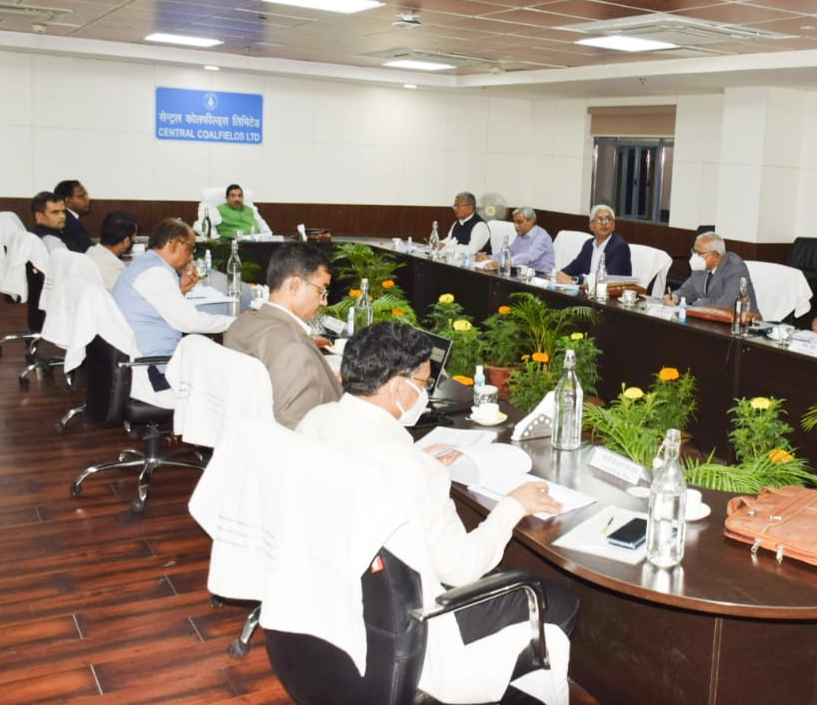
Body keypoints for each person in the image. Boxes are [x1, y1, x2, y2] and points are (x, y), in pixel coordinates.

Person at [295, 322, 577, 702]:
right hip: (406, 626)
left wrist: (419, 461)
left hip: (333, 603)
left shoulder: (316, 420)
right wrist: (514, 505)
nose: (424, 394)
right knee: (556, 599)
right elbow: (461, 569)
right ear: (397, 387)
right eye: (423, 384)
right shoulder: (412, 469)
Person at [112, 218, 235, 399]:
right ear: (173, 244)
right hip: (154, 371)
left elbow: (154, 310)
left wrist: (180, 292)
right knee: (231, 374)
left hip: (139, 361)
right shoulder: (156, 274)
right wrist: (238, 321)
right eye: (191, 248)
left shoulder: (145, 265)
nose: (192, 256)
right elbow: (190, 322)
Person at [225, 242, 342, 429]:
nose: (324, 301)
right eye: (321, 290)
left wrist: (321, 380)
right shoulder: (293, 346)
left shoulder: (240, 324)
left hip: (242, 437)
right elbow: (294, 425)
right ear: (295, 285)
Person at [666, 232, 753, 308]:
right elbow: (687, 291)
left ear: (715, 255)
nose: (695, 257)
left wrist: (699, 304)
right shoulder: (701, 266)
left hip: (742, 322)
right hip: (709, 320)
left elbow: (727, 304)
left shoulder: (735, 268)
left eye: (699, 253)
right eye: (694, 251)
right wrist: (675, 297)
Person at [556, 204, 632, 284]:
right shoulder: (588, 245)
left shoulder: (619, 247)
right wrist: (561, 275)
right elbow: (571, 269)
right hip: (590, 293)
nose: (604, 223)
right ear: (591, 226)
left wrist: (575, 280)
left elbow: (607, 280)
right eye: (599, 219)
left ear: (613, 225)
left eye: (608, 219)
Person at [476, 207, 555, 277]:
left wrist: (504, 263)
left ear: (531, 221)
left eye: (519, 222)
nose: (516, 226)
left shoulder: (542, 237)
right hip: (521, 272)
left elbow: (529, 256)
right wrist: (490, 257)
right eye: (515, 222)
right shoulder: (521, 234)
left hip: (541, 276)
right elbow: (510, 252)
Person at [86, 210, 138, 290]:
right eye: (134, 236)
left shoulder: (90, 252)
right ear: (126, 242)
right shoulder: (116, 270)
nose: (134, 240)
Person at [440, 191, 491, 256]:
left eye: (458, 206)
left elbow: (472, 250)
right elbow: (449, 240)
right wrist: (439, 244)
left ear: (470, 208)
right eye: (455, 206)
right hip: (456, 260)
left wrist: (448, 247)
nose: (455, 209)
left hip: (477, 263)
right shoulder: (457, 223)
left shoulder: (480, 225)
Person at [53, 179, 92, 253]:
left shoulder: (69, 219)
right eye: (81, 196)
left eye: (86, 195)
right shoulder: (70, 222)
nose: (88, 199)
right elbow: (88, 251)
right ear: (67, 200)